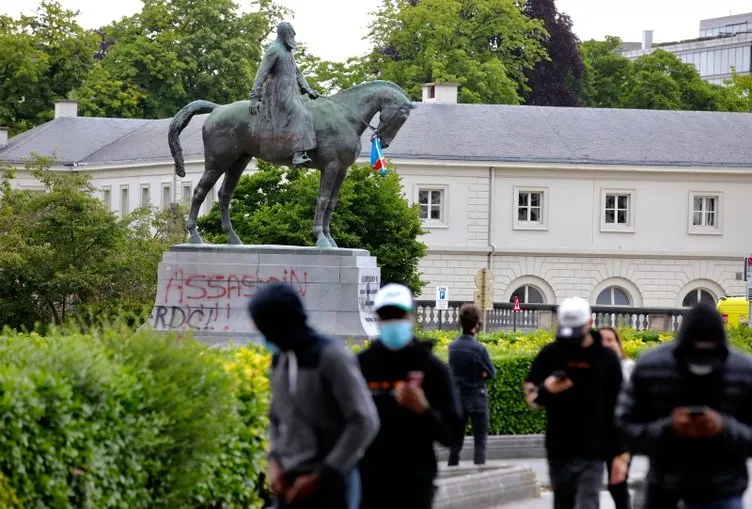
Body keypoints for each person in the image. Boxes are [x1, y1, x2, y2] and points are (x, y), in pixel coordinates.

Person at [248, 282, 380, 509]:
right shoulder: (280, 358)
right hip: (288, 481)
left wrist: (324, 473)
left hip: (332, 483)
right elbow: (277, 417)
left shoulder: (330, 356)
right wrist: (274, 463)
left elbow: (364, 420)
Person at [616, 302, 752, 509]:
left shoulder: (743, 372)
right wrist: (670, 427)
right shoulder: (651, 368)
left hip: (721, 491)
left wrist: (723, 427)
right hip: (666, 489)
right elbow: (622, 429)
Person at [357, 283, 463, 509]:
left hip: (414, 483)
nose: (392, 322)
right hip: (368, 481)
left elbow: (452, 435)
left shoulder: (432, 368)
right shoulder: (361, 365)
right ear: (377, 319)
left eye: (398, 315)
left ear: (411, 317)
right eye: (386, 316)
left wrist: (424, 410)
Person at [524, 297, 627, 509]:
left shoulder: (606, 358)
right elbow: (532, 398)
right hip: (559, 448)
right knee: (563, 503)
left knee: (587, 504)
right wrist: (546, 390)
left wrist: (619, 455)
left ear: (589, 323)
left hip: (593, 450)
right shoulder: (552, 353)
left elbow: (616, 408)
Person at [248, 21, 319, 167]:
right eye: (292, 33)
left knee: (309, 109)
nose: (294, 36)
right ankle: (298, 154)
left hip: (292, 91)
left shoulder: (288, 52)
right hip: (277, 93)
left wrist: (308, 89)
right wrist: (254, 97)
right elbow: (261, 74)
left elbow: (298, 74)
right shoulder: (274, 50)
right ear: (284, 33)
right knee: (301, 114)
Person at [447, 303, 496, 466]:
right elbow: (491, 373)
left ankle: (452, 471)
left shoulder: (452, 347)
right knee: (480, 441)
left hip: (458, 398)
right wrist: (481, 373)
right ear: (477, 324)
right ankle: (479, 474)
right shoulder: (479, 349)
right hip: (477, 397)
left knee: (456, 441)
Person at [599, 327, 635, 509]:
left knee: (617, 482)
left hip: (622, 435)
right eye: (602, 340)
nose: (607, 344)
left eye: (610, 339)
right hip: (598, 434)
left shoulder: (629, 368)